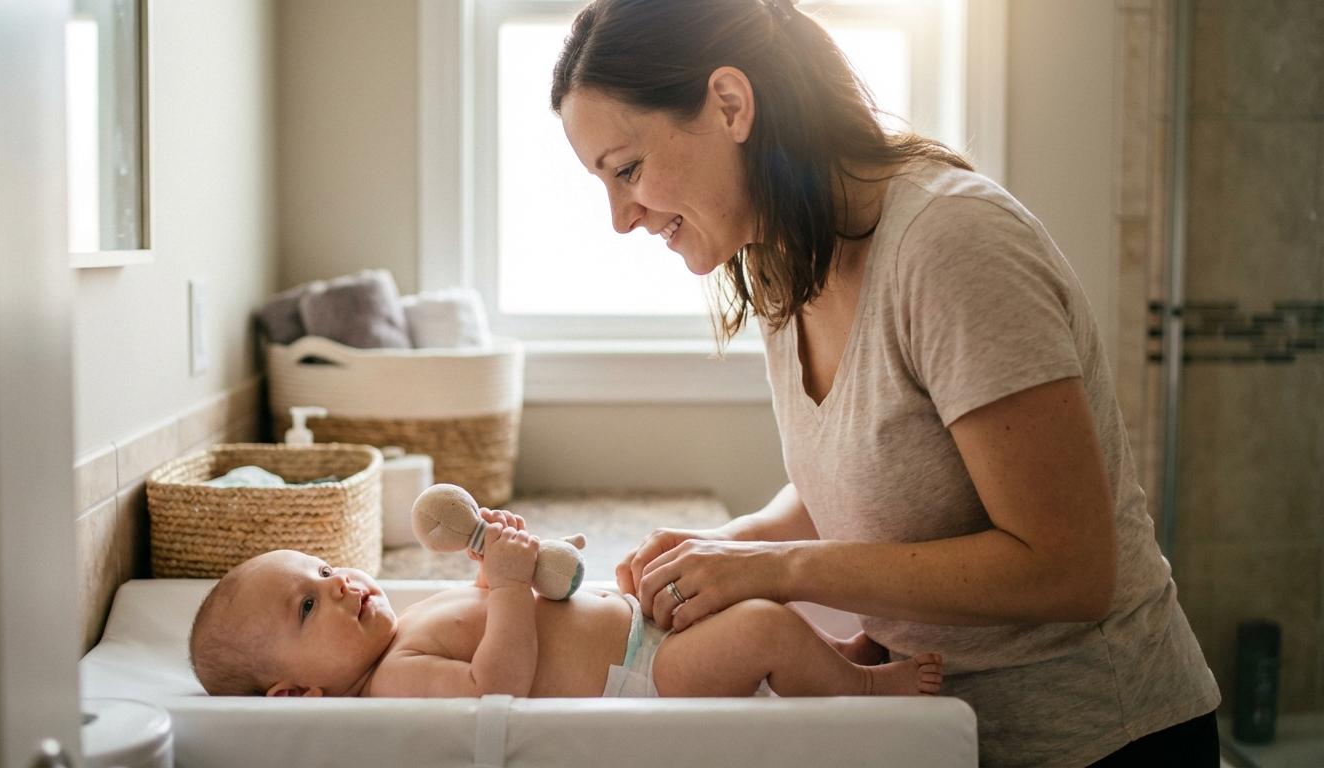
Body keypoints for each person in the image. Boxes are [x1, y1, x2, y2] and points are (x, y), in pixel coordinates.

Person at [550, 1, 1220, 766]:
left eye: (626, 170)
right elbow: (871, 475)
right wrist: (727, 548)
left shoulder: (949, 244)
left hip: (1102, 741)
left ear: (731, 104)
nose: (619, 218)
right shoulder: (780, 256)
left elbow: (1068, 567)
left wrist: (776, 569)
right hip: (940, 731)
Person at [188, 511, 944, 700]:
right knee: (762, 626)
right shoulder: (393, 680)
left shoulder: (403, 629)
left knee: (732, 603)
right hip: (644, 675)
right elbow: (497, 686)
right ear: (295, 692)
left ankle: (827, 663)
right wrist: (511, 593)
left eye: (324, 570)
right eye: (308, 608)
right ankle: (866, 688)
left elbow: (494, 620)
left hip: (635, 627)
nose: (340, 584)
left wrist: (496, 569)